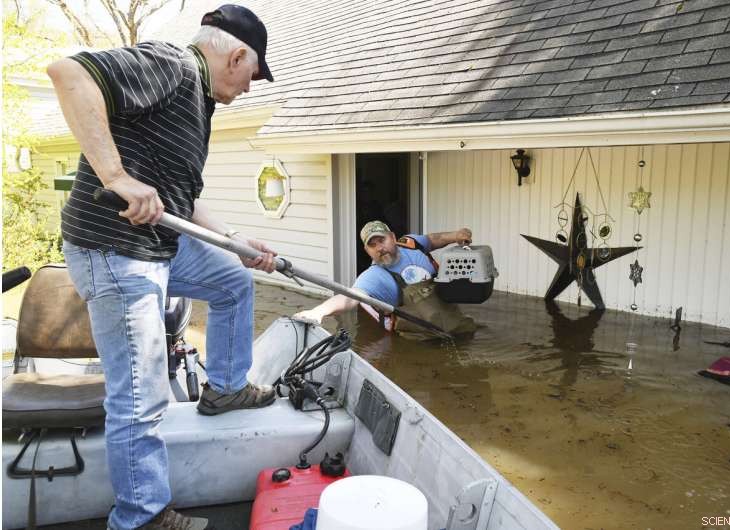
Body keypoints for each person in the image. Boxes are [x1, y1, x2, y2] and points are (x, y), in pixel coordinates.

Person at [48, 5, 276, 529]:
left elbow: (180, 200)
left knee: (233, 279)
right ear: (237, 55)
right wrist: (116, 177)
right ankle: (140, 516)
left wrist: (235, 241)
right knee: (140, 393)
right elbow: (69, 73)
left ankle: (224, 386)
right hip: (116, 252)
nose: (251, 87)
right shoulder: (173, 65)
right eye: (253, 75)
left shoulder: (198, 101)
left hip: (159, 245)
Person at [294, 221, 478, 340]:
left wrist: (456, 235)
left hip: (455, 321)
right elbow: (351, 297)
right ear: (367, 251)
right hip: (422, 339)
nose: (379, 248)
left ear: (392, 237)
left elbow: (432, 239)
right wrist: (319, 311)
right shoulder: (374, 277)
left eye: (381, 240)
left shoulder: (412, 243)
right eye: (372, 245)